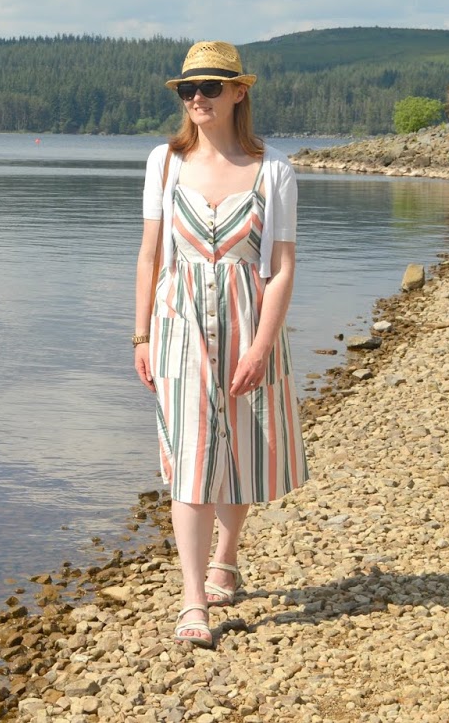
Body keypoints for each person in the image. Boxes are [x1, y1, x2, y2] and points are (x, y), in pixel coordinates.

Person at [132, 40, 308, 649]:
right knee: (190, 456)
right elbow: (152, 256)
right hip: (179, 327)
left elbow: (281, 267)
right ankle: (193, 601)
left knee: (239, 448)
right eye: (188, 90)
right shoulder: (163, 162)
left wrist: (262, 347)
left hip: (247, 323)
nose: (198, 99)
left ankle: (226, 557)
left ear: (240, 92)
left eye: (210, 87)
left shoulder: (274, 169)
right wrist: (141, 334)